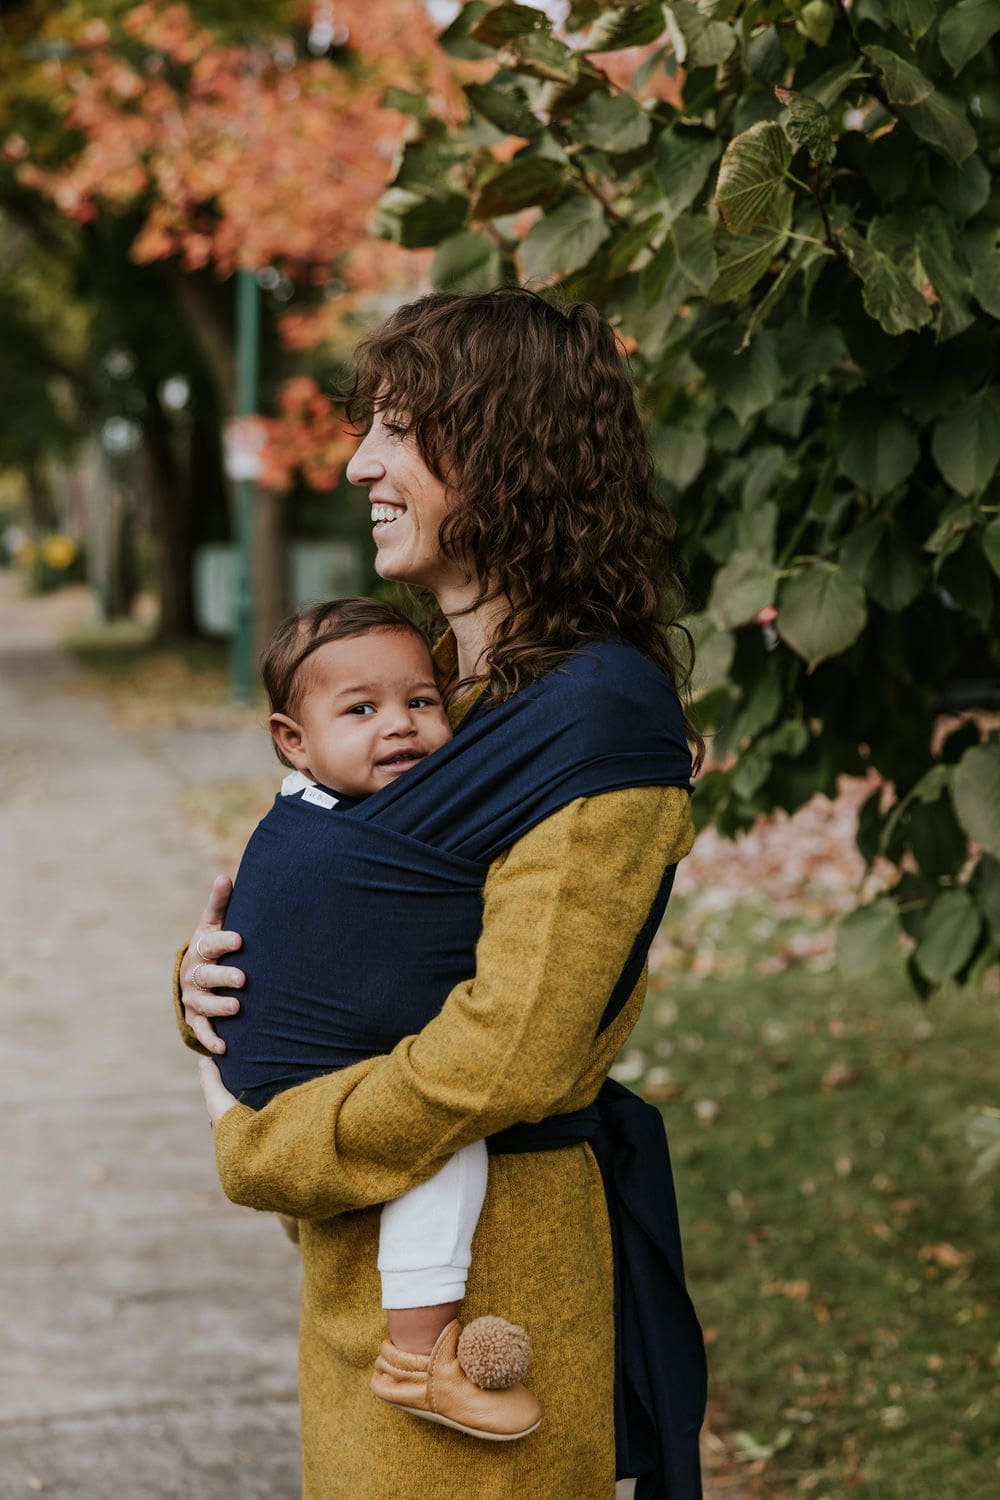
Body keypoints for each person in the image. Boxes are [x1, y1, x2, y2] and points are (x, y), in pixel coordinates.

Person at [178, 288, 708, 1500]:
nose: (358, 463)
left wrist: (266, 1145)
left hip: (488, 1288)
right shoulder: (440, 698)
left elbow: (505, 1054)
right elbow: (351, 903)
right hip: (368, 1261)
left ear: (507, 446)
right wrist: (212, 978)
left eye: (398, 430)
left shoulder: (592, 724)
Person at [212, 593, 541, 1440]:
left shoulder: (348, 808)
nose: (400, 724)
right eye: (361, 710)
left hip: (274, 1072)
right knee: (442, 1137)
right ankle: (419, 1358)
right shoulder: (329, 833)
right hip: (295, 1075)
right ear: (294, 741)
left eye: (421, 701)